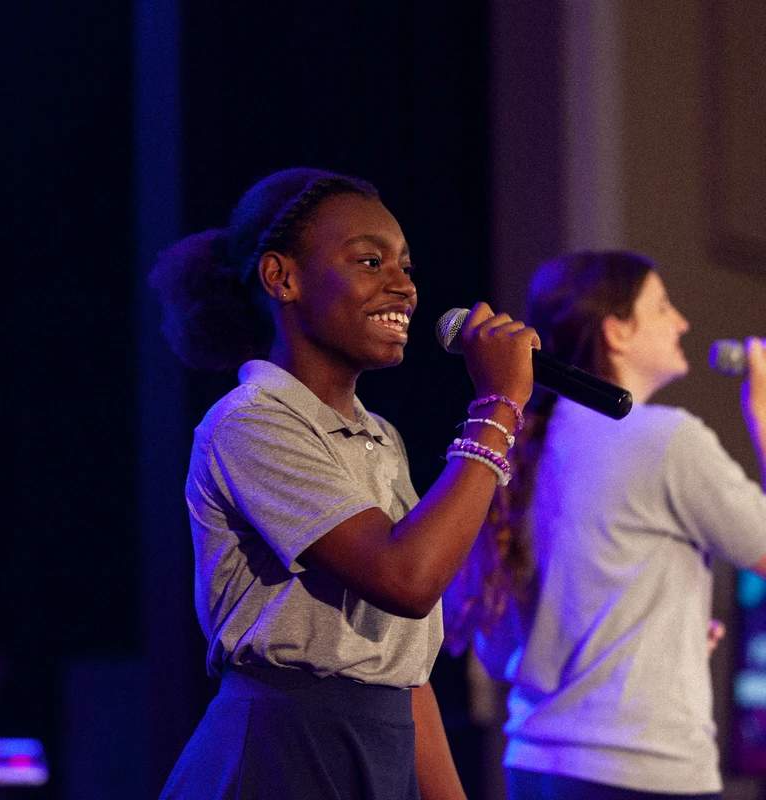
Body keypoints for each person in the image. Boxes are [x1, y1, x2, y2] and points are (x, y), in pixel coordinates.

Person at [148, 167, 541, 799]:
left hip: (377, 751)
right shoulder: (251, 423)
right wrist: (496, 408)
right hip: (283, 753)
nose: (403, 286)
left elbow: (403, 670)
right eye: (370, 261)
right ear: (283, 277)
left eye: (406, 267)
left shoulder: (380, 438)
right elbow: (405, 580)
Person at [445, 251, 766, 799]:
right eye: (663, 307)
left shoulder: (518, 444)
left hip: (535, 764)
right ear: (616, 331)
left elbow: (498, 651)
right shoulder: (667, 440)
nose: (683, 323)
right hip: (639, 769)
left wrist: (667, 640)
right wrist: (762, 415)